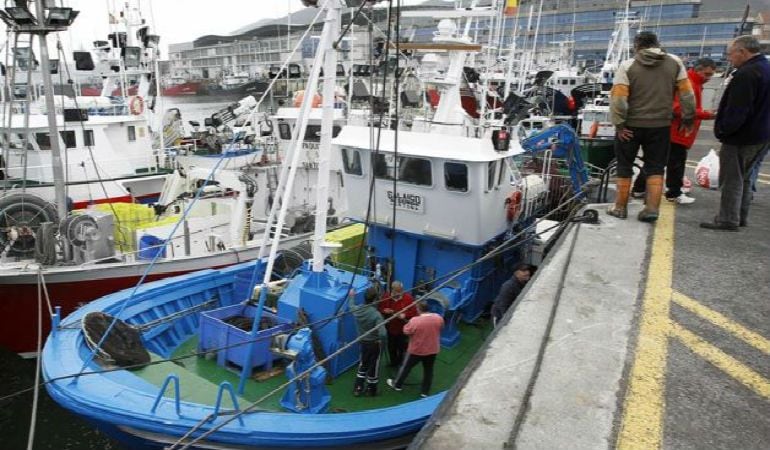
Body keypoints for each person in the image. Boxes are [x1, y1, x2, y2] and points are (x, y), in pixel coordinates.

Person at [607, 31, 696, 222]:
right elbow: (687, 94)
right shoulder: (674, 62)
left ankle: (620, 207)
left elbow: (619, 99)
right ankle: (652, 209)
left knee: (624, 165)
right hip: (661, 125)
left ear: (636, 46)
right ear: (658, 43)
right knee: (655, 167)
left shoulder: (628, 66)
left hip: (630, 126)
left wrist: (620, 124)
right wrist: (688, 118)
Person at [701, 36, 770, 231]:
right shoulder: (765, 68)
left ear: (742, 51)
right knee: (747, 177)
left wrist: (724, 130)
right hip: (762, 134)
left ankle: (728, 219)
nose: (730, 58)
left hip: (742, 137)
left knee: (732, 178)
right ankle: (740, 216)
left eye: (731, 54)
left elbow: (739, 109)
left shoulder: (746, 74)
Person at [632, 58, 717, 204]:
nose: (708, 78)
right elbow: (678, 108)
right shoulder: (689, 83)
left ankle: (639, 189)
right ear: (698, 70)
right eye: (707, 74)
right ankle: (673, 192)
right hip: (676, 132)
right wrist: (707, 114)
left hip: (672, 130)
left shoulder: (691, 82)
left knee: (657, 161)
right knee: (674, 164)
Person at [386, 301, 444, 398]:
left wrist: (406, 322)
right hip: (432, 349)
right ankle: (425, 392)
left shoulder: (415, 321)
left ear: (419, 310)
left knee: (406, 367)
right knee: (428, 371)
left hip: (416, 350)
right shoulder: (438, 318)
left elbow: (406, 331)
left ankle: (397, 385)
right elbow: (441, 327)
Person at [349, 287, 386, 397]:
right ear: (375, 300)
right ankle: (371, 390)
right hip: (374, 344)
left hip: (363, 342)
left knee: (363, 363)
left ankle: (358, 388)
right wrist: (381, 340)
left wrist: (351, 296)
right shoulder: (376, 315)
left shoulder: (358, 310)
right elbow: (383, 333)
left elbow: (351, 306)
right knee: (373, 365)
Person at [378, 280, 417, 367]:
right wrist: (384, 311)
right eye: (397, 291)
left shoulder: (408, 298)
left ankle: (400, 362)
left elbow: (414, 313)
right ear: (392, 290)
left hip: (403, 331)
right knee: (391, 348)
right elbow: (380, 308)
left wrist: (405, 315)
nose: (400, 293)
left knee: (402, 348)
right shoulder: (386, 297)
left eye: (401, 291)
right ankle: (393, 362)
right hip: (390, 329)